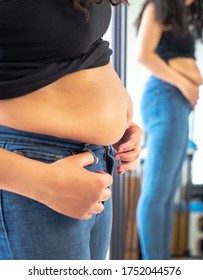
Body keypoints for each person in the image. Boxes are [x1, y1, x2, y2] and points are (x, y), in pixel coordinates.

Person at [0, 0, 142, 260]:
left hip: (92, 164)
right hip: (34, 170)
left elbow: (76, 53)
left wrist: (116, 120)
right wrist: (42, 183)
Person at [135, 0, 203, 259]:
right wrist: (185, 84)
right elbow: (142, 53)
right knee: (156, 193)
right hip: (164, 95)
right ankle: (156, 268)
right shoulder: (159, 6)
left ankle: (161, 264)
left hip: (176, 101)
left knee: (166, 194)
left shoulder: (184, 13)